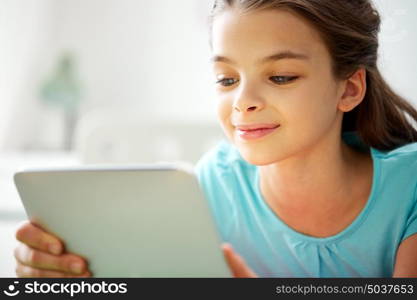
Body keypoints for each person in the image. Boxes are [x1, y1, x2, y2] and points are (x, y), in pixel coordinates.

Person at [14, 0, 417, 278]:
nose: (243, 102)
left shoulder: (409, 188)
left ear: (349, 89)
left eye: (280, 77)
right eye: (227, 79)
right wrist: (57, 274)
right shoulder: (210, 187)